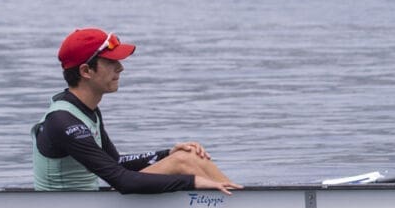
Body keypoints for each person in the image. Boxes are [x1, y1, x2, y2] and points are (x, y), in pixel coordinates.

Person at [32, 27, 242, 194]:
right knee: (183, 162)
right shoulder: (63, 121)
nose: (120, 68)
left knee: (188, 155)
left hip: (93, 203)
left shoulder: (87, 111)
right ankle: (240, 207)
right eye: (111, 61)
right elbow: (123, 181)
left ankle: (236, 198)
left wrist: (167, 154)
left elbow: (116, 163)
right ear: (86, 71)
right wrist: (192, 181)